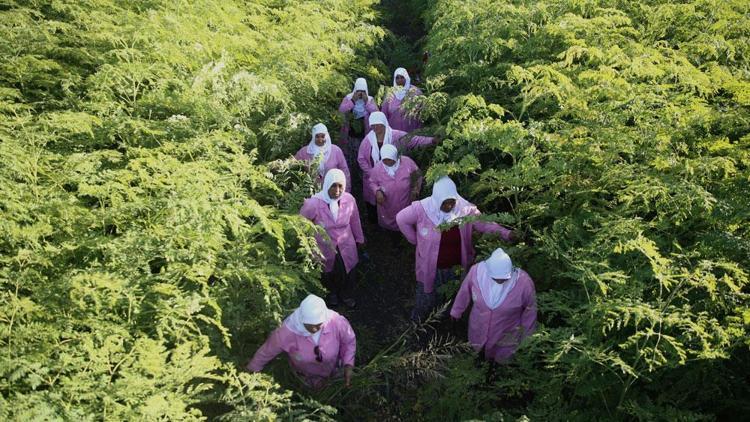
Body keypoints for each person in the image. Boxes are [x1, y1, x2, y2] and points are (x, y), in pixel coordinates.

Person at [396, 176, 516, 322]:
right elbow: (401, 219)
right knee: (426, 296)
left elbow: (485, 224)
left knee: (452, 295)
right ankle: (419, 324)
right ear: (436, 199)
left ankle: (444, 321)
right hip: (430, 267)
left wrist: (507, 234)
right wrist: (414, 240)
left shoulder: (465, 210)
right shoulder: (423, 209)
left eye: (451, 202)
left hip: (457, 268)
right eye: (444, 203)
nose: (448, 206)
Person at [246, 294, 356, 389]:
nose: (314, 329)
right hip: (307, 378)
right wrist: (250, 372)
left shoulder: (336, 321)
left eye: (318, 325)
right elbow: (267, 351)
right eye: (309, 325)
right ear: (301, 319)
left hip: (335, 369)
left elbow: (349, 341)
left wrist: (348, 364)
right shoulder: (287, 331)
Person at [450, 248, 537, 366]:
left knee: (500, 367)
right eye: (497, 278)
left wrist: (528, 339)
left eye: (504, 278)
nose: (500, 280)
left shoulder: (524, 282)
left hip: (506, 336)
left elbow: (530, 311)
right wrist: (456, 310)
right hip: (478, 330)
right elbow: (464, 292)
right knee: (478, 362)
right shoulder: (476, 272)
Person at [358, 111, 437, 224]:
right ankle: (378, 225)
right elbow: (361, 159)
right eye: (373, 125)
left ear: (384, 123)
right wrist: (372, 172)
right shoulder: (368, 140)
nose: (376, 128)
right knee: (377, 202)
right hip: (375, 176)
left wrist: (431, 140)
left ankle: (401, 223)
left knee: (398, 200)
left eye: (378, 125)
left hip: (398, 173)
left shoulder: (396, 136)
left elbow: (414, 140)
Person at [300, 169, 364, 308]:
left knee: (348, 270)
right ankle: (332, 294)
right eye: (333, 186)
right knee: (328, 272)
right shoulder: (313, 204)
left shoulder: (349, 199)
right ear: (326, 185)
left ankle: (346, 294)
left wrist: (359, 238)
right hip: (324, 245)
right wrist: (307, 245)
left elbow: (355, 220)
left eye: (340, 186)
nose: (337, 190)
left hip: (346, 244)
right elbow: (302, 225)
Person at [338, 78, 379, 200]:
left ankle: (364, 188)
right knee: (350, 162)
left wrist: (366, 101)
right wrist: (353, 100)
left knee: (363, 161)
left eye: (362, 91)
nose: (360, 93)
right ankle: (351, 187)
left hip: (364, 139)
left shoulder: (370, 100)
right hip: (349, 138)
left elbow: (376, 113)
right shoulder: (348, 98)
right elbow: (341, 111)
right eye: (358, 91)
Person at [368, 144, 422, 232]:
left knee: (407, 224)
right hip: (388, 205)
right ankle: (394, 240)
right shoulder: (377, 169)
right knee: (392, 229)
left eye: (390, 159)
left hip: (406, 202)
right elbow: (372, 182)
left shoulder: (407, 162)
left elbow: (418, 175)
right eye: (384, 160)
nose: (387, 162)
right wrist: (377, 191)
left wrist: (416, 189)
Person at [295, 123, 351, 192]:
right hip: (313, 192)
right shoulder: (305, 151)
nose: (320, 139)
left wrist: (346, 190)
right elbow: (293, 163)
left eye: (323, 136)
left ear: (327, 136)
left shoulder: (335, 150)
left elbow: (344, 170)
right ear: (313, 137)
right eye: (317, 136)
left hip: (334, 191)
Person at [381, 67, 423, 132]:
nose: (399, 80)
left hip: (411, 133)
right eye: (397, 78)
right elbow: (384, 114)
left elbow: (421, 114)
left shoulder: (416, 92)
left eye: (402, 77)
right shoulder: (390, 93)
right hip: (393, 133)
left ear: (406, 78)